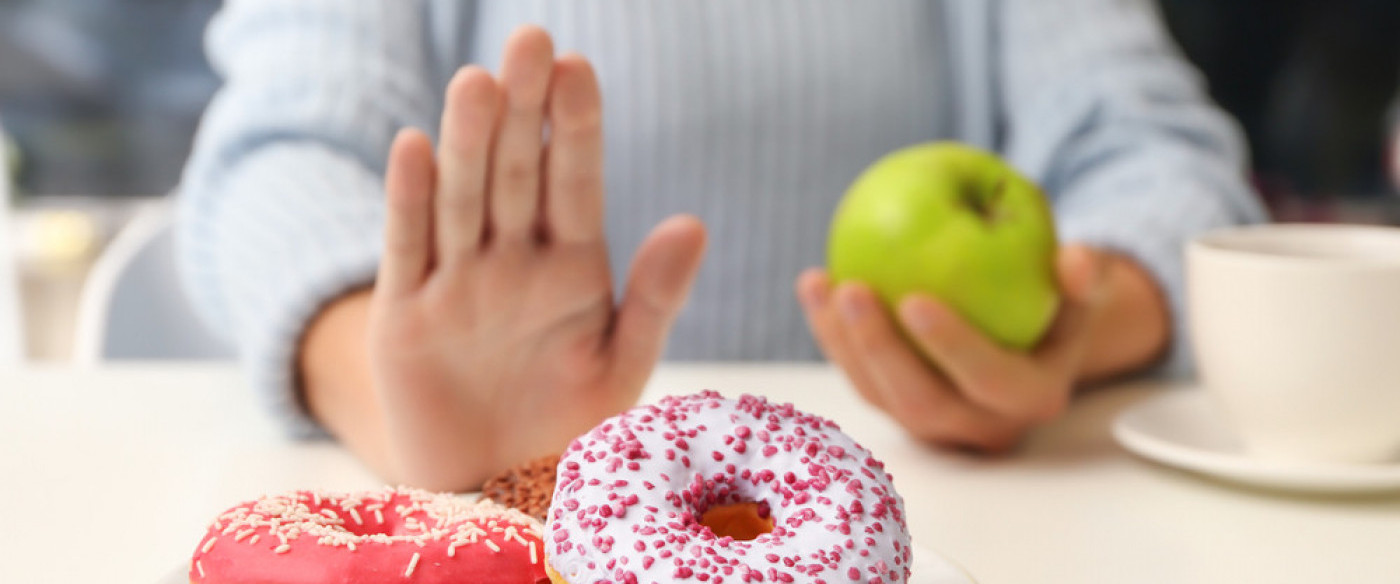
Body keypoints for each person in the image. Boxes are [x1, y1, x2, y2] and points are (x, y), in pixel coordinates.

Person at [179, 0, 1265, 492]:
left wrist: (1069, 333)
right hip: (498, 531)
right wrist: (397, 395)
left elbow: (1156, 155)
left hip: (959, 525)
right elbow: (277, 160)